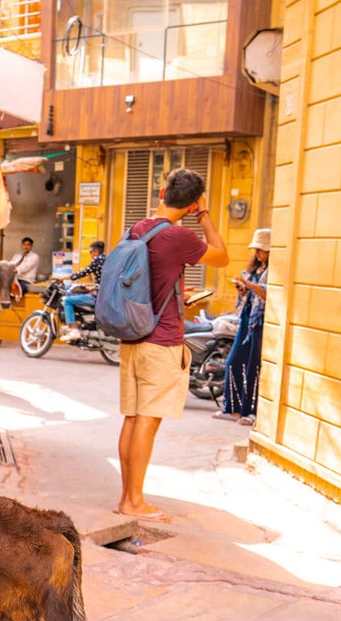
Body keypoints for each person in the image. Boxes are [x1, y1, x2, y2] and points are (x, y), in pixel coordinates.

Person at [116, 168, 228, 520]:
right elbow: (221, 256)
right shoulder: (179, 237)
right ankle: (135, 502)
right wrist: (205, 214)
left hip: (132, 336)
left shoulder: (138, 228)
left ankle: (126, 497)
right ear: (193, 202)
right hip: (161, 341)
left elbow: (150, 280)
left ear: (162, 192)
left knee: (133, 419)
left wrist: (180, 293)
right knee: (147, 421)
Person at [216, 229, 270, 426]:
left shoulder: (271, 272)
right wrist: (242, 289)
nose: (258, 253)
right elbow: (248, 298)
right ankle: (232, 408)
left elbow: (268, 294)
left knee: (253, 367)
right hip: (248, 318)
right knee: (234, 361)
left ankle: (251, 412)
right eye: (256, 249)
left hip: (261, 322)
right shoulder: (256, 269)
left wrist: (251, 285)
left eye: (261, 249)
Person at [59, 240, 105, 341]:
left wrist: (63, 278)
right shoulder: (106, 259)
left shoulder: (97, 260)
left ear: (95, 251)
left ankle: (74, 330)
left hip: (98, 298)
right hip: (104, 296)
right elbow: (104, 280)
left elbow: (83, 273)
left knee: (67, 300)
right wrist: (92, 288)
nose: (90, 254)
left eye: (90, 252)